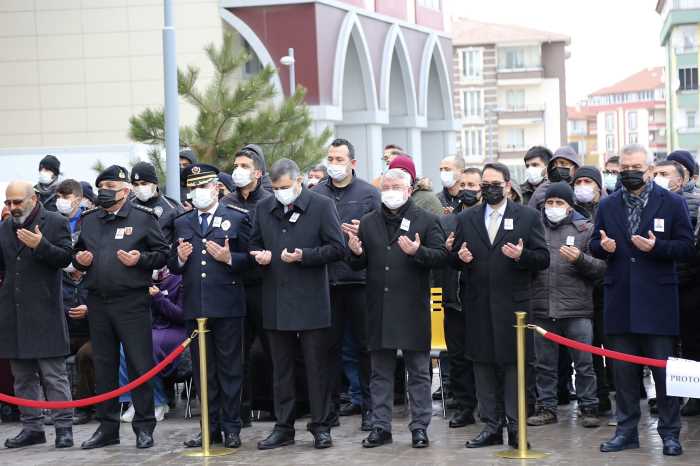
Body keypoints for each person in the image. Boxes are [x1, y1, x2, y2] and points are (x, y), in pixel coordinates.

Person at [590, 144, 694, 456]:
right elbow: (595, 242)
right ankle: (626, 431)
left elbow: (687, 247)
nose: (630, 173)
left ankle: (670, 433)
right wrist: (602, 247)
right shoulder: (608, 205)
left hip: (657, 301)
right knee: (622, 374)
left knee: (663, 373)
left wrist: (657, 248)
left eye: (637, 167)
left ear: (649, 170)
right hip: (620, 300)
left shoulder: (672, 203)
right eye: (625, 168)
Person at [450, 162, 549, 449]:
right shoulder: (467, 218)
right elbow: (456, 256)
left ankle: (517, 430)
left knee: (514, 369)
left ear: (507, 185)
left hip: (514, 308)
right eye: (484, 184)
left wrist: (522, 255)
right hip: (478, 305)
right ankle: (491, 427)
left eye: (495, 184)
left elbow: (543, 258)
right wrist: (460, 258)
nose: (489, 189)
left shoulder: (527, 216)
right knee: (482, 367)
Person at [346, 168, 446, 449]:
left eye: (395, 185)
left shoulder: (426, 220)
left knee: (418, 371)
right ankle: (381, 426)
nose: (389, 190)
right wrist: (355, 252)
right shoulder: (369, 222)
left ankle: (420, 427)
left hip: (412, 307)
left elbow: (441, 258)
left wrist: (418, 253)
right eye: (385, 185)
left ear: (409, 189)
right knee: (380, 372)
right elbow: (359, 264)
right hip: (379, 307)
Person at [250, 159, 345, 450]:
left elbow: (337, 248)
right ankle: (283, 426)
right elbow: (253, 244)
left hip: (311, 298)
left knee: (316, 367)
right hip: (276, 298)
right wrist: (260, 256)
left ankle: (321, 425)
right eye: (275, 188)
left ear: (299, 181)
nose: (280, 193)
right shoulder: (264, 208)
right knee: (281, 368)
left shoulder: (321, 205)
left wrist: (305, 255)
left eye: (285, 187)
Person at [73, 165, 169, 450]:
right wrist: (81, 261)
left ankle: (143, 426)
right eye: (101, 186)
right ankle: (107, 428)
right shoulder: (90, 220)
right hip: (98, 302)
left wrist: (140, 259)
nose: (104, 192)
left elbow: (163, 254)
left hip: (131, 302)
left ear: (125, 191)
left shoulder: (142, 218)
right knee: (104, 366)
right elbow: (77, 254)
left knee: (140, 365)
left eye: (110, 187)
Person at [170, 164, 251, 449]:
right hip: (196, 306)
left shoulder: (238, 218)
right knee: (204, 371)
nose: (198, 193)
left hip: (227, 305)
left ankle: (231, 427)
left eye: (203, 187)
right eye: (193, 188)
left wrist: (231, 259)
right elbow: (173, 264)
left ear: (217, 187)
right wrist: (178, 259)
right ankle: (209, 427)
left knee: (230, 370)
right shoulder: (182, 222)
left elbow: (251, 260)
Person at [312, 138, 381, 431]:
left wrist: (362, 233)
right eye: (330, 158)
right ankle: (328, 411)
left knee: (366, 348)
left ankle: (369, 408)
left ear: (352, 163)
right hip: (327, 281)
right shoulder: (316, 194)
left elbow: (382, 232)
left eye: (340, 159)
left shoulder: (369, 193)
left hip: (360, 281)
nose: (334, 164)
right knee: (328, 349)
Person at [0, 180, 74, 449]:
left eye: (17, 202)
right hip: (13, 313)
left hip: (45, 312)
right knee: (22, 377)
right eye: (8, 202)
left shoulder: (54, 222)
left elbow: (67, 259)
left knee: (54, 376)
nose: (12, 207)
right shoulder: (5, 227)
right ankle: (32, 427)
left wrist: (41, 244)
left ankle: (64, 427)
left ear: (33, 199)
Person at [527, 182, 604, 429]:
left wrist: (580, 259)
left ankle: (589, 407)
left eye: (559, 203)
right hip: (542, 307)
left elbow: (601, 268)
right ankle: (546, 407)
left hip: (577, 309)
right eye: (549, 203)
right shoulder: (534, 229)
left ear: (570, 207)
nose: (553, 207)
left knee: (584, 363)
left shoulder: (585, 229)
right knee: (544, 364)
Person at [222, 145, 274, 425]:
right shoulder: (226, 201)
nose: (238, 171)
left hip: (262, 285)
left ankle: (276, 408)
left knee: (270, 349)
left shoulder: (268, 201)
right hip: (233, 284)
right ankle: (238, 412)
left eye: (244, 166)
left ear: (258, 172)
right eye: (236, 165)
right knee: (235, 353)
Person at [435, 167, 481, 428]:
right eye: (462, 183)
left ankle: (489, 405)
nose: (467, 189)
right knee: (458, 358)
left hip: (482, 301)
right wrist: (448, 251)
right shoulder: (446, 222)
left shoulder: (488, 220)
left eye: (472, 185)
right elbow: (440, 260)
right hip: (454, 300)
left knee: (484, 358)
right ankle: (464, 406)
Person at [119, 268, 185, 424]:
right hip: (149, 327)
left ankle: (158, 401)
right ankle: (136, 399)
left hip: (175, 330)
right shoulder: (142, 277)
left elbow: (181, 315)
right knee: (124, 346)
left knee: (148, 346)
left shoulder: (181, 279)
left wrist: (158, 297)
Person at [663, 151, 700, 416]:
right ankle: (679, 396)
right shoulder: (659, 203)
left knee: (691, 342)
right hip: (666, 281)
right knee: (671, 344)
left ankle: (692, 396)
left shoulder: (695, 203)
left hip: (690, 282)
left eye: (666, 175)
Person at [62, 267, 95, 426]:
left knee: (85, 355)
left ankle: (84, 407)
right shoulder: (58, 277)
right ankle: (56, 407)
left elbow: (107, 302)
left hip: (94, 334)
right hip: (65, 333)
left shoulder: (96, 276)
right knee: (48, 354)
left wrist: (89, 311)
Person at [131, 161, 184, 245]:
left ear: (155, 183)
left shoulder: (172, 208)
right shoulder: (128, 205)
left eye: (144, 183)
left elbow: (181, 240)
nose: (140, 187)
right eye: (135, 184)